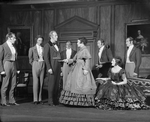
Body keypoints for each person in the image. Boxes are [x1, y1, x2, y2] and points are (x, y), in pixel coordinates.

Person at [59, 37, 97, 106]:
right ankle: (75, 101)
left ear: (82, 43)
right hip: (77, 67)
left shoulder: (85, 50)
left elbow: (87, 60)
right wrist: (67, 60)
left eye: (78, 42)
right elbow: (74, 59)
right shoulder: (80, 50)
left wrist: (85, 69)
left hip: (81, 68)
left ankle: (83, 102)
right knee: (74, 83)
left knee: (81, 83)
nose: (77, 43)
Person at [0, 32, 19, 106]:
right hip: (7, 64)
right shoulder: (3, 46)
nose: (15, 39)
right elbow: (0, 59)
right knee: (5, 84)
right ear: (9, 38)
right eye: (14, 38)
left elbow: (16, 58)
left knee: (13, 83)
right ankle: (3, 101)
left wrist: (17, 68)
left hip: (13, 64)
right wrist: (1, 70)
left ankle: (12, 100)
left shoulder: (13, 47)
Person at [44, 30, 61, 106]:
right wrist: (49, 68)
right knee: (51, 84)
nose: (57, 37)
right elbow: (46, 58)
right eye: (55, 35)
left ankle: (55, 100)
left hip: (57, 66)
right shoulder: (47, 45)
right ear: (51, 36)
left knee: (56, 84)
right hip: (52, 66)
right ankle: (50, 101)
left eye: (57, 35)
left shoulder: (57, 45)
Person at [28, 35, 45, 104]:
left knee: (41, 82)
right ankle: (35, 99)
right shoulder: (32, 49)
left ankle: (40, 98)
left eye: (41, 40)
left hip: (42, 63)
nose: (40, 42)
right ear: (36, 40)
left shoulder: (43, 48)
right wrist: (34, 64)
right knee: (36, 82)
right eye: (39, 40)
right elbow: (30, 59)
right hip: (35, 64)